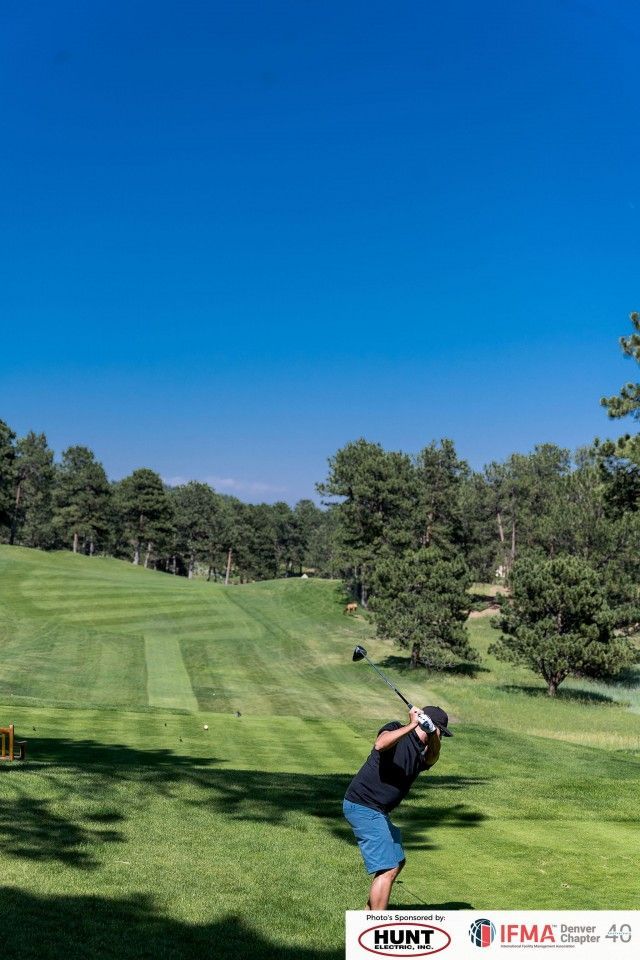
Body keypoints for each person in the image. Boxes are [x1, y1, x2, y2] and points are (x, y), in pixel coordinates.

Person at [343, 704, 452, 909]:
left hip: (378, 811)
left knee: (397, 860)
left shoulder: (423, 753)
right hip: (363, 805)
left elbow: (433, 757)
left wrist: (432, 734)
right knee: (388, 867)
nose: (440, 738)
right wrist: (412, 724)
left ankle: (367, 916)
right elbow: (380, 744)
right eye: (441, 733)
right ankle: (376, 927)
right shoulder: (395, 728)